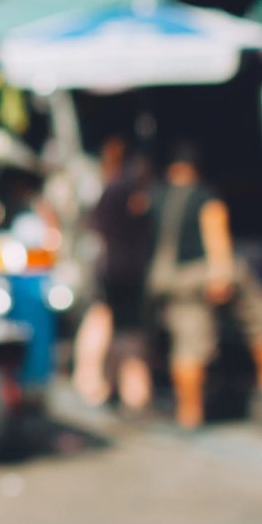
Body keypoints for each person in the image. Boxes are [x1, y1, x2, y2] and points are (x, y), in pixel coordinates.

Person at [147, 142, 262, 429]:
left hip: (169, 281)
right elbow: (216, 234)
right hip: (201, 273)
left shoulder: (155, 197)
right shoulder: (204, 197)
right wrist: (221, 273)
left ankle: (189, 412)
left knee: (186, 343)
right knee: (256, 313)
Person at [72, 138, 155, 414]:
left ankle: (107, 384)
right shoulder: (126, 190)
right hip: (124, 271)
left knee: (113, 325)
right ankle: (122, 388)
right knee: (120, 327)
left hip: (111, 269)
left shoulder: (109, 190)